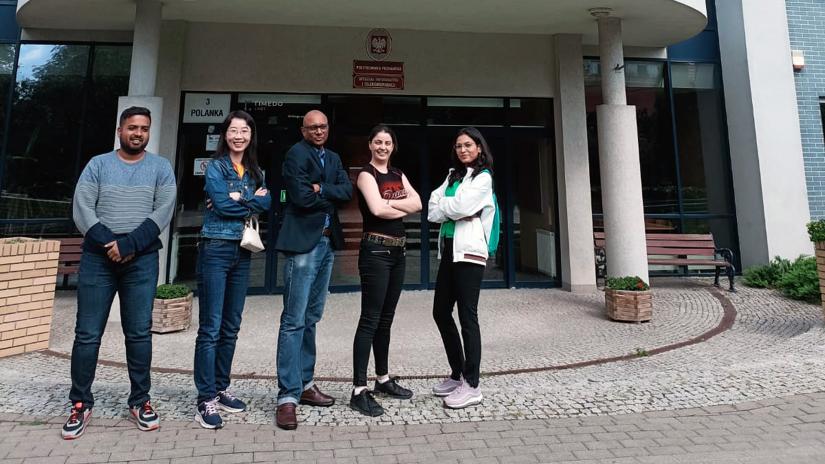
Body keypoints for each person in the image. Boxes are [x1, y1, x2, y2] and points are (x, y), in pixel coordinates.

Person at [63, 106, 177, 439]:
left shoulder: (160, 167)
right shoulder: (98, 165)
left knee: (139, 333)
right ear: (119, 130)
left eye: (143, 128)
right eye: (132, 127)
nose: (137, 133)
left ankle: (140, 400)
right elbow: (82, 206)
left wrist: (129, 245)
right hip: (98, 260)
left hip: (141, 260)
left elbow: (164, 208)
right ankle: (80, 403)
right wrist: (109, 242)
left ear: (149, 132)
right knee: (87, 333)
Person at [274, 110, 353, 430]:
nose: (319, 131)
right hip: (303, 245)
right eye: (313, 127)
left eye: (323, 126)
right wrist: (322, 191)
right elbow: (301, 197)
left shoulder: (333, 157)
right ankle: (287, 397)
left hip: (326, 244)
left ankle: (305, 384)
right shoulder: (295, 154)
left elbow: (346, 192)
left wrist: (323, 189)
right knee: (294, 320)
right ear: (303, 129)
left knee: (311, 318)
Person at [193, 110, 271, 429]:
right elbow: (221, 205)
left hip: (243, 250)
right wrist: (247, 201)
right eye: (233, 130)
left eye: (245, 131)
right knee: (210, 327)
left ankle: (221, 387)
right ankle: (205, 398)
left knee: (231, 325)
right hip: (215, 248)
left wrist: (242, 198)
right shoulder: (215, 167)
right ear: (225, 134)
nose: (239, 136)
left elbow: (268, 203)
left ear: (251, 135)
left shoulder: (255, 170)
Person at [350, 125, 422, 416]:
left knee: (386, 319)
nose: (382, 146)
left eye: (387, 142)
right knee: (370, 319)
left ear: (393, 146)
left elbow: (418, 202)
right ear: (370, 144)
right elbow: (377, 211)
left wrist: (391, 203)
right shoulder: (367, 174)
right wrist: (400, 205)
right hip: (376, 252)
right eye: (378, 141)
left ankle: (382, 379)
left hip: (398, 252)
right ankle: (358, 389)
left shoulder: (397, 173)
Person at [427, 127, 497, 409]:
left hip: (469, 253)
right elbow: (433, 210)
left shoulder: (483, 178)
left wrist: (453, 206)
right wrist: (454, 206)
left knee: (468, 316)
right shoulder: (452, 175)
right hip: (449, 252)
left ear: (479, 148)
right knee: (440, 311)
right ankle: (457, 374)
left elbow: (459, 206)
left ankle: (473, 385)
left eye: (468, 145)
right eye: (458, 146)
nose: (463, 150)